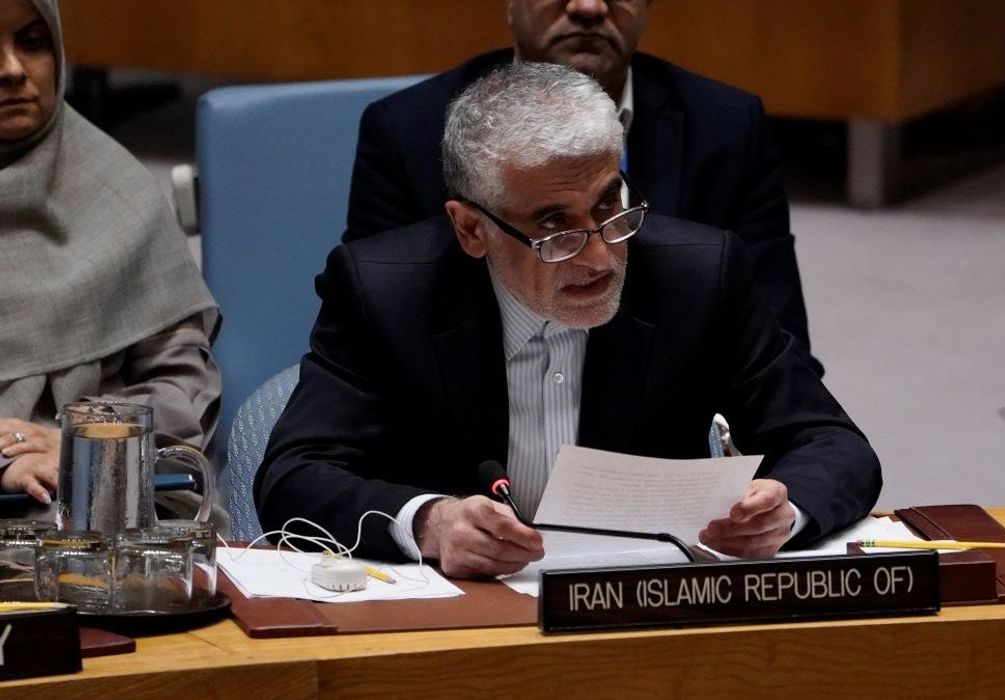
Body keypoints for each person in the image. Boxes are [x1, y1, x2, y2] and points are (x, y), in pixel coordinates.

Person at [258, 62, 880, 579]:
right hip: (455, 616)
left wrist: (785, 508)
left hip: (641, 603)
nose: (601, 255)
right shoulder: (386, 291)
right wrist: (429, 521)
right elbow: (294, 475)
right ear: (472, 229)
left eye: (609, 204)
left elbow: (833, 444)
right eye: (554, 227)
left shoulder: (698, 277)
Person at [344, 0, 817, 362]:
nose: (589, 7)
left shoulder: (727, 126)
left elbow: (780, 341)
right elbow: (372, 329)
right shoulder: (409, 131)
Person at [0, 0, 222, 518]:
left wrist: (83, 444)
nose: (11, 70)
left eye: (31, 43)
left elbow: (182, 385)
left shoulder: (119, 194)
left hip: (104, 505)